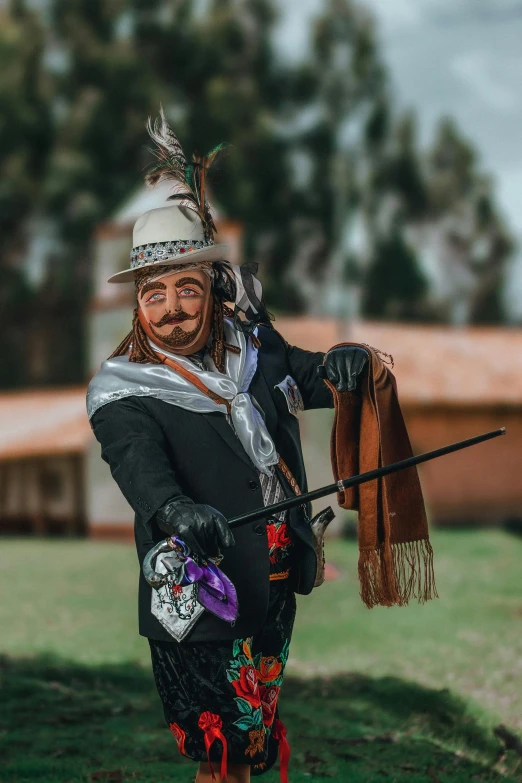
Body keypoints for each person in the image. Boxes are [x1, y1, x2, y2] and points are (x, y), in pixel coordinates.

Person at [87, 108, 369, 783]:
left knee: (251, 742)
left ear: (214, 293)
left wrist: (345, 363)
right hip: (198, 589)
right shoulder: (123, 389)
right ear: (138, 306)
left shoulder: (256, 350)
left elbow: (312, 377)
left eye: (188, 288)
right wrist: (174, 510)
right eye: (155, 295)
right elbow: (139, 466)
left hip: (273, 582)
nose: (173, 308)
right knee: (221, 750)